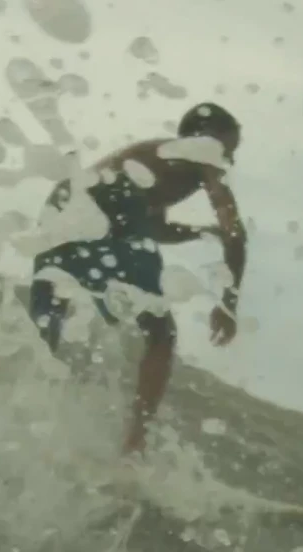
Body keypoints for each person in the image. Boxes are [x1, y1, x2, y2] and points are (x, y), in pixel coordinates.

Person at [28, 102, 247, 456]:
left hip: (65, 201)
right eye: (228, 150)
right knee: (160, 332)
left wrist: (201, 233)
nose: (228, 161)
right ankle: (134, 446)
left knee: (49, 313)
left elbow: (156, 228)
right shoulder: (202, 152)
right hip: (111, 199)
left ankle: (21, 405)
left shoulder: (151, 161)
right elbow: (235, 229)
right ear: (208, 137)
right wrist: (228, 302)